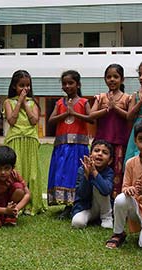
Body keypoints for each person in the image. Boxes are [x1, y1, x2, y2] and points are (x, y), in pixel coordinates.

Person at [106, 119, 142, 249]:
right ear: (135, 140)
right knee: (121, 199)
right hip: (135, 206)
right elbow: (125, 187)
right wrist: (129, 189)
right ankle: (118, 233)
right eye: (141, 139)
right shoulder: (130, 163)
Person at [47, 70, 93, 219]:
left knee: (76, 175)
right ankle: (67, 204)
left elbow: (91, 118)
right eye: (64, 83)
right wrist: (65, 114)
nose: (67, 86)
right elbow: (51, 120)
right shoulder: (60, 103)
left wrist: (74, 113)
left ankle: (77, 204)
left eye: (71, 83)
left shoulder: (84, 102)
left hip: (78, 146)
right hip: (62, 145)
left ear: (78, 84)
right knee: (63, 174)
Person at [3, 70, 45, 216]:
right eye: (21, 85)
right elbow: (12, 121)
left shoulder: (33, 103)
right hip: (15, 139)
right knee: (17, 171)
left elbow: (34, 121)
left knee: (32, 173)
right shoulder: (8, 102)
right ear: (14, 86)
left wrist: (26, 103)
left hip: (30, 139)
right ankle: (15, 204)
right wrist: (19, 101)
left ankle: (32, 204)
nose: (25, 89)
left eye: (27, 86)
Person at [90, 64, 131, 198]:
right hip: (102, 142)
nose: (112, 79)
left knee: (117, 173)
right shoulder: (100, 97)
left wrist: (115, 108)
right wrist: (106, 109)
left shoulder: (127, 98)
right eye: (109, 77)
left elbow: (129, 116)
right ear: (104, 79)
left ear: (122, 79)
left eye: (116, 77)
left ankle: (115, 203)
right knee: (98, 170)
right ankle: (96, 202)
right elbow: (91, 115)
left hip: (119, 142)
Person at [0, 146, 30, 227]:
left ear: (12, 168)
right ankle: (5, 217)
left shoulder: (14, 174)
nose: (3, 172)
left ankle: (10, 216)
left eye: (7, 168)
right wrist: (5, 210)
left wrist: (15, 209)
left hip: (9, 204)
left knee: (19, 188)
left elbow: (27, 194)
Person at [71, 140, 114, 229]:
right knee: (77, 223)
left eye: (104, 152)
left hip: (103, 206)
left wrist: (94, 172)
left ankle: (106, 217)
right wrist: (86, 176)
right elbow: (82, 195)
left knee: (99, 185)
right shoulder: (82, 170)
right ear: (90, 155)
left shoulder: (109, 172)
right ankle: (95, 218)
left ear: (110, 160)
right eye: (96, 150)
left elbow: (106, 190)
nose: (100, 154)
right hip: (86, 207)